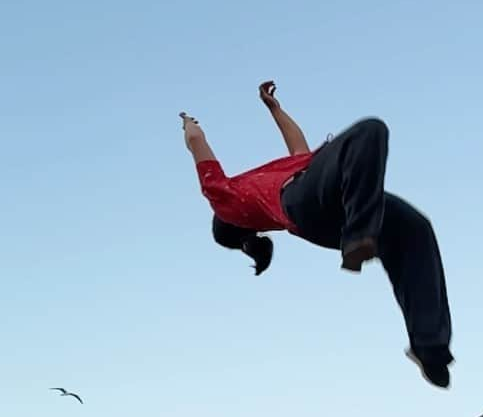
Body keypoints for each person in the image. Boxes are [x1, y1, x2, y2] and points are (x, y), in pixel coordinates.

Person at [180, 83, 453, 388]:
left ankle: (430, 348)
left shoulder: (283, 172)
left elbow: (297, 147)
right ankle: (360, 232)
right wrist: (188, 122)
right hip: (307, 203)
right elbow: (195, 140)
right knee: (368, 131)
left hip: (325, 211)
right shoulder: (224, 200)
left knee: (415, 229)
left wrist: (275, 109)